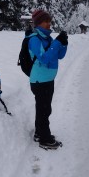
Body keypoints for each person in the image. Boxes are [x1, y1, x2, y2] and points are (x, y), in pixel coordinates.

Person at [28, 9, 68, 150]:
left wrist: (63, 43)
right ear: (38, 23)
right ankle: (45, 139)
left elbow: (59, 56)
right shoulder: (34, 39)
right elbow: (44, 59)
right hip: (39, 81)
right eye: (46, 21)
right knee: (44, 110)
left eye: (50, 21)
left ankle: (39, 133)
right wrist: (56, 43)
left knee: (44, 109)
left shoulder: (48, 39)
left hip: (48, 80)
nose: (49, 24)